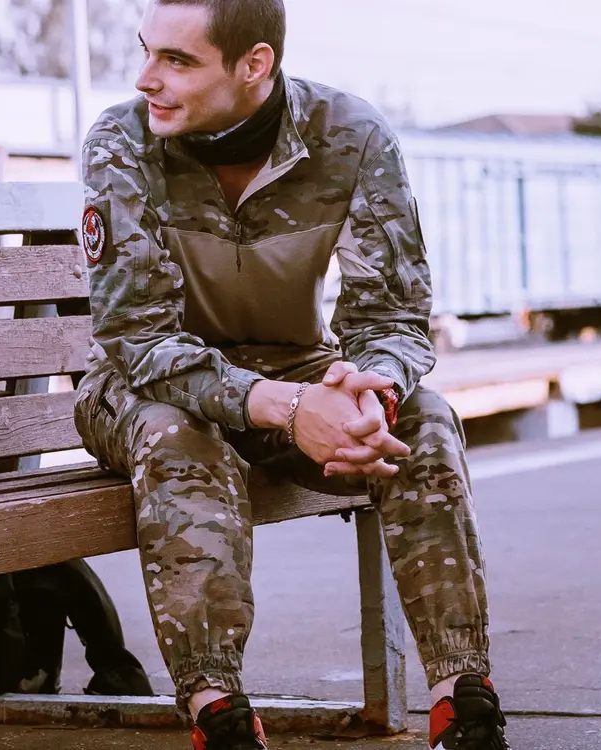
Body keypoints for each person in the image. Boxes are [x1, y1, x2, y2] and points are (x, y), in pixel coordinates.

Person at [75, 1, 512, 748]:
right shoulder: (123, 142)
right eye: (146, 51)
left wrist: (369, 393)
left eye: (177, 60)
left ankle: (460, 701)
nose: (146, 78)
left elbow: (394, 316)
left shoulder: (351, 135)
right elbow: (138, 338)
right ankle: (218, 711)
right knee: (180, 436)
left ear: (255, 65)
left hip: (295, 371)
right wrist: (286, 405)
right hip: (140, 389)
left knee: (424, 420)